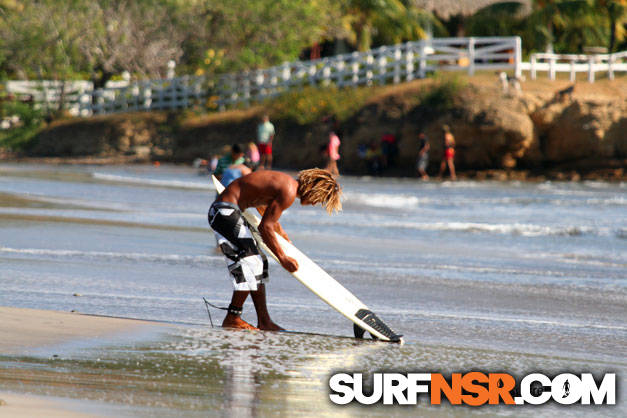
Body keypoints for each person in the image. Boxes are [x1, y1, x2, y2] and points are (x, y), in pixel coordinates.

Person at [208, 169, 342, 330]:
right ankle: (232, 317)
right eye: (319, 199)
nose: (315, 203)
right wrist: (283, 258)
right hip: (224, 212)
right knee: (252, 262)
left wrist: (281, 233)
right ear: (314, 188)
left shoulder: (285, 183)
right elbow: (265, 227)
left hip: (226, 212)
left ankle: (264, 321)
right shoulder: (289, 191)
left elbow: (262, 208)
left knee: (260, 263)